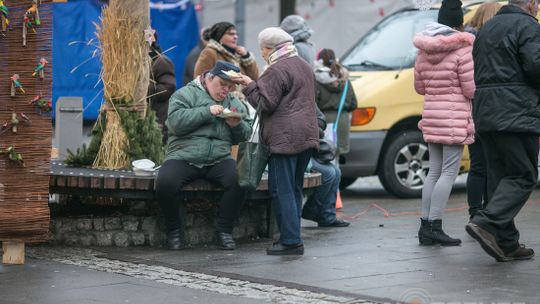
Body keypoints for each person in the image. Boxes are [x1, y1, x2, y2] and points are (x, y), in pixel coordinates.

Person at [233, 27, 319, 256]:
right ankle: (292, 236)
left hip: (285, 138)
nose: (260, 53)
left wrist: (248, 83)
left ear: (270, 48)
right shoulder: (303, 65)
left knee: (282, 190)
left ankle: (290, 241)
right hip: (307, 134)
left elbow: (264, 103)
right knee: (294, 189)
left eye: (261, 48)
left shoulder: (276, 69)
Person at [466, 0, 540, 262]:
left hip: (486, 111)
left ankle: (506, 242)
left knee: (498, 177)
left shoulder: (488, 27)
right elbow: (535, 67)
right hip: (516, 111)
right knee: (524, 174)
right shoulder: (528, 25)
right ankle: (486, 222)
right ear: (530, 4)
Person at [156, 61, 252, 251]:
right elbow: (175, 123)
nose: (226, 90)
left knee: (241, 179)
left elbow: (245, 134)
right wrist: (207, 111)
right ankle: (174, 231)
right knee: (166, 182)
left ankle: (224, 230)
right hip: (183, 154)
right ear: (209, 78)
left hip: (219, 157)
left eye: (230, 87)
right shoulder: (185, 94)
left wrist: (237, 125)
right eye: (222, 84)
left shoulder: (234, 103)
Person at [414, 0, 475, 246]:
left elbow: (419, 87)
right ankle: (435, 226)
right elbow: (470, 90)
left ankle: (424, 226)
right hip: (454, 118)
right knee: (449, 172)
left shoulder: (423, 50)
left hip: (431, 116)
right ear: (459, 23)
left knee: (433, 171)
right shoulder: (463, 50)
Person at [463, 2, 502, 219]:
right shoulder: (486, 42)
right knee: (488, 164)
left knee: (478, 164)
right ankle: (484, 210)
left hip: (473, 110)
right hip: (486, 109)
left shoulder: (466, 41)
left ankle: (475, 211)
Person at [302, 107, 350, 228]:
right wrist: (314, 128)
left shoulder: (307, 97)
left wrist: (314, 128)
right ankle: (311, 210)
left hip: (310, 149)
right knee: (329, 173)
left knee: (336, 171)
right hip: (297, 152)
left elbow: (321, 120)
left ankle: (327, 216)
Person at [313, 48, 357, 156]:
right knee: (337, 155)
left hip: (324, 122)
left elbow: (313, 104)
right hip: (342, 120)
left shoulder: (316, 80)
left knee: (325, 154)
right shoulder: (344, 80)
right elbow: (353, 103)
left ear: (319, 61)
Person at [194, 22, 259, 81]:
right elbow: (200, 80)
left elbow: (256, 79)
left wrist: (246, 56)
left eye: (236, 34)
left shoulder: (238, 54)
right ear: (219, 37)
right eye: (231, 34)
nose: (235, 37)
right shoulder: (210, 52)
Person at [148, 35, 176, 145]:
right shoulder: (134, 61)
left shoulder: (161, 61)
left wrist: (144, 87)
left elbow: (168, 88)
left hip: (157, 117)